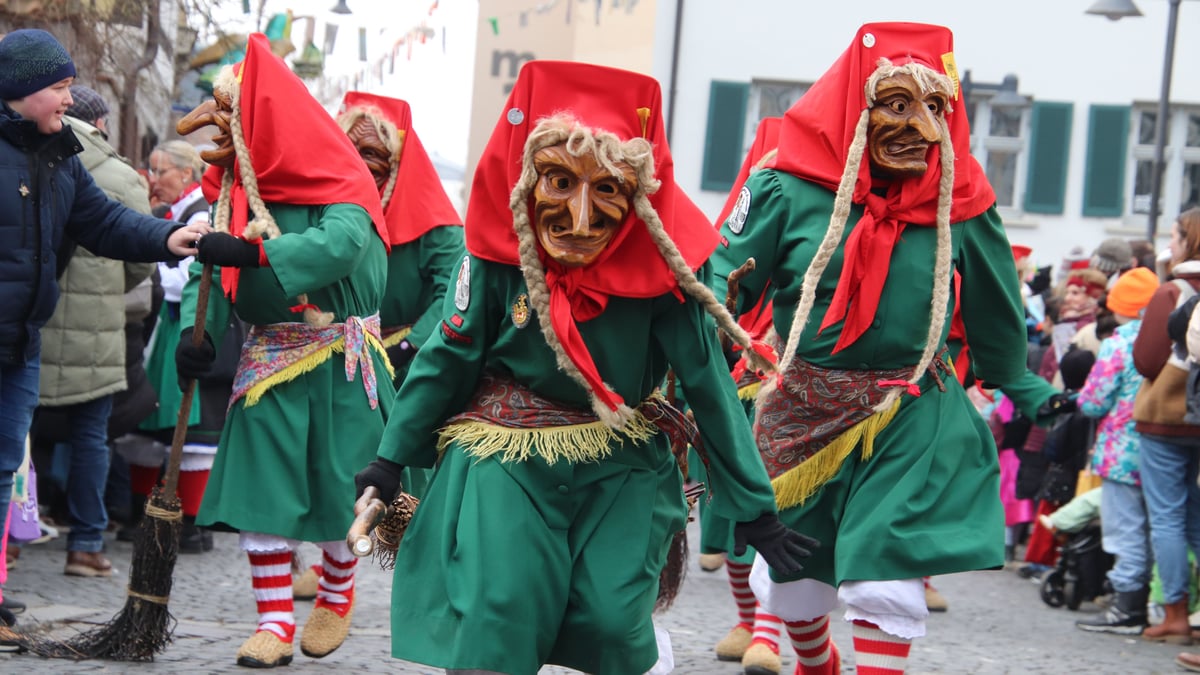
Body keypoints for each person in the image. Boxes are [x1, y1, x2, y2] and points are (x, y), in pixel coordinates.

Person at [353, 59, 814, 675]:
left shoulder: (670, 268)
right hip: (506, 455)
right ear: (527, 182)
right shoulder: (495, 252)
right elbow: (448, 354)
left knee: (609, 623)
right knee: (501, 611)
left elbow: (707, 383)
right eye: (560, 183)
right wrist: (390, 459)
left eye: (607, 190)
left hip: (620, 462)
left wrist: (754, 509)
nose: (578, 216)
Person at [710, 22, 1051, 672]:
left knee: (883, 571)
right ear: (857, 107)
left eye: (934, 108)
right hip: (805, 402)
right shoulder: (786, 184)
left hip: (910, 407)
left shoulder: (965, 200)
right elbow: (720, 281)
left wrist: (1031, 390)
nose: (917, 127)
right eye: (896, 105)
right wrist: (687, 356)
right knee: (794, 582)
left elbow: (995, 311)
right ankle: (817, 661)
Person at [171, 33, 392, 668]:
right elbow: (204, 270)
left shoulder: (338, 174)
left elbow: (343, 243)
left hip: (339, 364)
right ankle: (273, 620)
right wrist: (198, 330)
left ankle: (337, 593)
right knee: (261, 496)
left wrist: (258, 251)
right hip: (268, 362)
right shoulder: (232, 186)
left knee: (339, 495)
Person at [0, 28, 206, 642]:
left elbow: (103, 220)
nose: (69, 98)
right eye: (60, 87)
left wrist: (169, 238)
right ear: (24, 89)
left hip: (20, 344)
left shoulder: (61, 152)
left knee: (4, 467)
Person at [288, 92, 466, 600]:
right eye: (350, 150)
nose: (362, 165)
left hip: (408, 357)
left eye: (374, 155)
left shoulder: (437, 225)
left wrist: (412, 347)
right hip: (336, 349)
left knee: (401, 469)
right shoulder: (331, 209)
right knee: (325, 461)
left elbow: (451, 292)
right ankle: (326, 566)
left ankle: (420, 564)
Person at [29, 83, 159, 577]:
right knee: (92, 436)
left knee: (24, 433)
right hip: (101, 327)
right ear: (99, 122)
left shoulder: (36, 155)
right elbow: (139, 261)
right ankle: (85, 543)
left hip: (35, 318)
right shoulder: (122, 176)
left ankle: (14, 541)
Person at [123, 140, 221, 554]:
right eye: (150, 169)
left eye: (161, 171)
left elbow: (188, 279)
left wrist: (153, 269)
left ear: (186, 174)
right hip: (166, 325)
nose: (153, 179)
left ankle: (189, 523)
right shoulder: (174, 212)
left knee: (193, 427)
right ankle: (140, 514)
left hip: (189, 324)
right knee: (148, 426)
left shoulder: (200, 215)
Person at [1074, 267, 1160, 634]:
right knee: (1161, 529)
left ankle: (1126, 606)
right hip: (1165, 449)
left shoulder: (1121, 343)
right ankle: (1158, 603)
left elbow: (1093, 402)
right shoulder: (1170, 338)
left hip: (1122, 450)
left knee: (1125, 530)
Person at [1132, 207, 1200, 646]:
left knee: (1168, 517)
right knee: (1195, 514)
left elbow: (1146, 360)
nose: (1170, 243)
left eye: (1175, 235)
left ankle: (1175, 611)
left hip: (1165, 418)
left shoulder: (1173, 290)